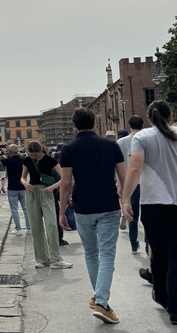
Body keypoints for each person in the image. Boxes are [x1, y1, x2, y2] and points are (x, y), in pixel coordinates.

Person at [58, 107, 126, 324]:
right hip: (108, 205)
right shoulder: (111, 145)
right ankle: (102, 302)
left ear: (74, 125)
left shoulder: (68, 148)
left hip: (82, 207)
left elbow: (66, 183)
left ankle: (99, 297)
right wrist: (125, 201)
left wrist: (61, 212)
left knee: (91, 254)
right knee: (106, 254)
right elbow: (123, 177)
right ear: (95, 123)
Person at [122, 101, 177, 324]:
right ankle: (175, 308)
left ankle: (163, 297)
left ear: (149, 119)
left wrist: (125, 199)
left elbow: (135, 168)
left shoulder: (142, 137)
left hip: (154, 204)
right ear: (170, 116)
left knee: (160, 254)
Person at [21, 141, 72, 270]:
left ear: (41, 151)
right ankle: (42, 259)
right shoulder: (27, 160)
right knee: (36, 227)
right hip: (31, 193)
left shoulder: (50, 160)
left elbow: (64, 178)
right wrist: (25, 184)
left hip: (46, 192)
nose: (33, 156)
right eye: (31, 154)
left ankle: (55, 258)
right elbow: (22, 177)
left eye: (36, 154)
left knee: (51, 225)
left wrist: (53, 187)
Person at [118, 116, 145, 253]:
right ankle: (148, 244)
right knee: (146, 213)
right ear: (143, 124)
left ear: (129, 126)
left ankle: (134, 242)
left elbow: (118, 165)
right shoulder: (147, 138)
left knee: (132, 213)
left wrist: (119, 184)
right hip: (145, 181)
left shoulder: (121, 142)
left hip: (129, 182)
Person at [0, 144, 30, 234]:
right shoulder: (23, 160)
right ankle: (29, 227)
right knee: (26, 208)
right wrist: (14, 150)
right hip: (23, 187)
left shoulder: (8, 160)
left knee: (14, 209)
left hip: (12, 187)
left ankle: (18, 228)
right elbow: (22, 155)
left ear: (9, 153)